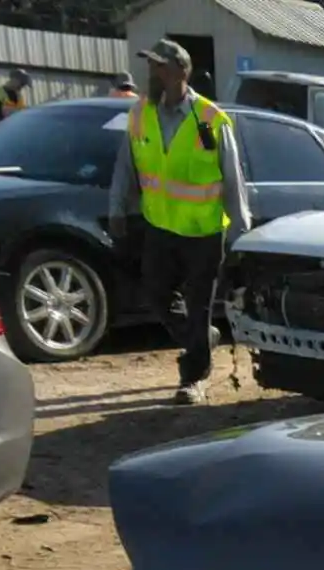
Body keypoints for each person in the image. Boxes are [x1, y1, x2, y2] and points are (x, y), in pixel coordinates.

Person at [106, 38, 250, 406]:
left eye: (160, 66)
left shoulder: (209, 119)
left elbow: (232, 178)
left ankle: (193, 380)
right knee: (156, 296)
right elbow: (126, 164)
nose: (152, 73)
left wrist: (239, 231)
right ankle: (201, 338)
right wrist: (117, 208)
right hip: (160, 226)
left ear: (181, 72)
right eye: (151, 66)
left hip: (203, 232)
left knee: (199, 304)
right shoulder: (140, 113)